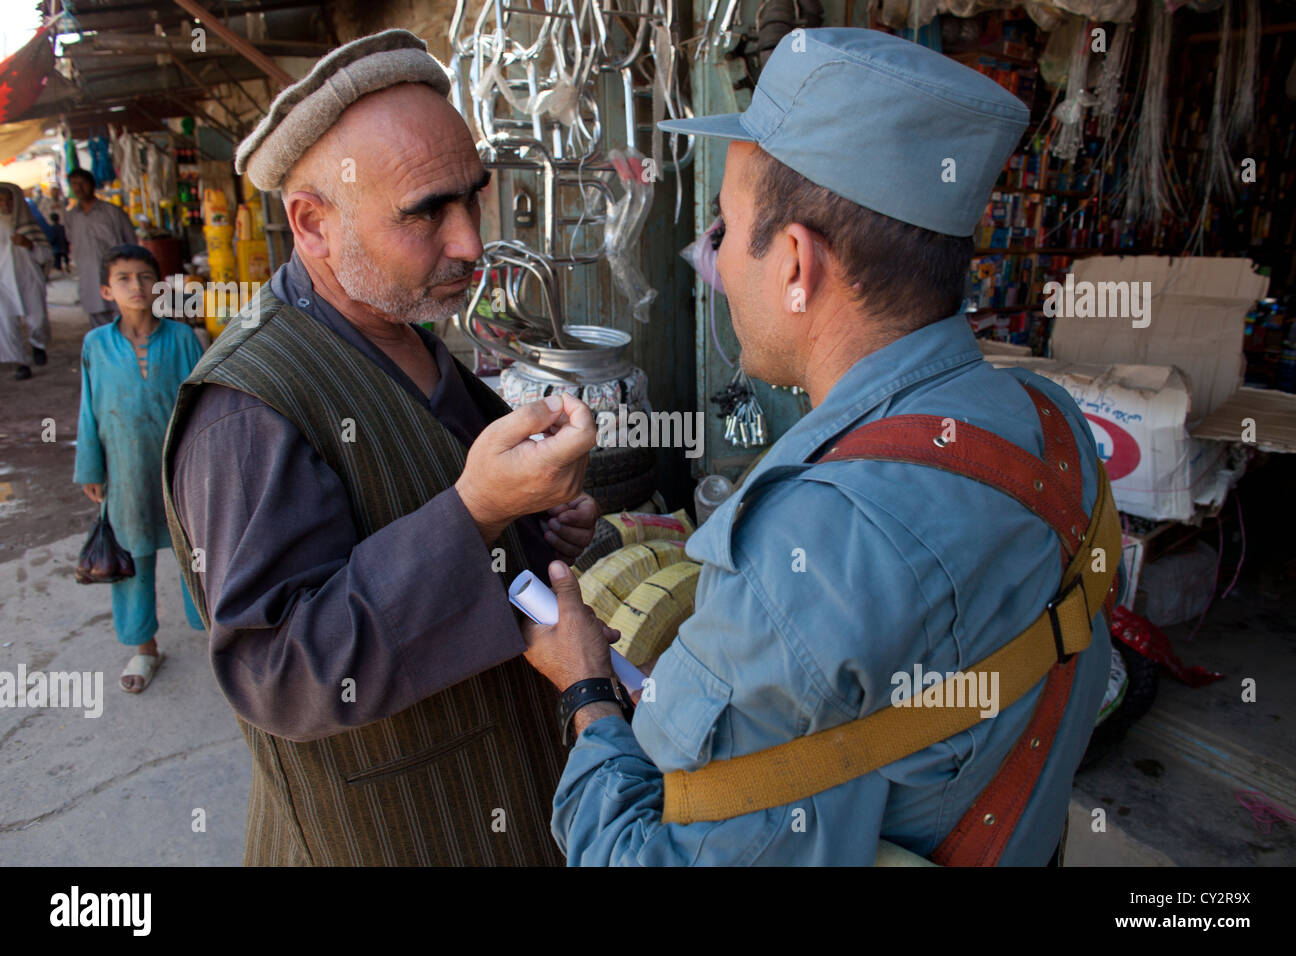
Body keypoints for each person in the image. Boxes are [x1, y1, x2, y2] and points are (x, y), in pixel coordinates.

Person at [521, 28, 1115, 865]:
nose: (712, 263)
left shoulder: (806, 548)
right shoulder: (1053, 427)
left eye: (724, 231)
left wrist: (586, 689)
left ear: (797, 263)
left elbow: (637, 855)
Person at [162, 29, 605, 866]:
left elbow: (416, 516)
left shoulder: (407, 330)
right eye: (426, 212)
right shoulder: (248, 411)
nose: (471, 242)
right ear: (313, 225)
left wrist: (537, 526)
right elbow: (278, 672)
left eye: (473, 198)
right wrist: (476, 512)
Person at [73, 245, 206, 692]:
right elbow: (88, 410)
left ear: (159, 286)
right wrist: (90, 467)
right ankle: (144, 647)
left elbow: (203, 405)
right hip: (124, 469)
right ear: (107, 289)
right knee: (132, 557)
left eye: (145, 277)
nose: (136, 286)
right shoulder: (95, 345)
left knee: (198, 553)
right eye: (124, 278)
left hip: (179, 468)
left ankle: (214, 633)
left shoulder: (184, 339)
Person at [64, 168, 136, 328]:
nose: (78, 188)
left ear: (92, 185)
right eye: (74, 184)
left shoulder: (112, 212)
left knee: (125, 319)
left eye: (82, 183)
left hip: (116, 275)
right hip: (88, 277)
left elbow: (132, 243)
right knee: (98, 325)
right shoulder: (71, 217)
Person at [0, 181, 52, 380]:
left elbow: (46, 255)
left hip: (28, 276)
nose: (4, 205)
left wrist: (28, 243)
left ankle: (38, 344)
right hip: (2, 281)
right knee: (6, 324)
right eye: (0, 201)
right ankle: (21, 362)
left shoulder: (28, 225)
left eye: (8, 201)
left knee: (37, 319)